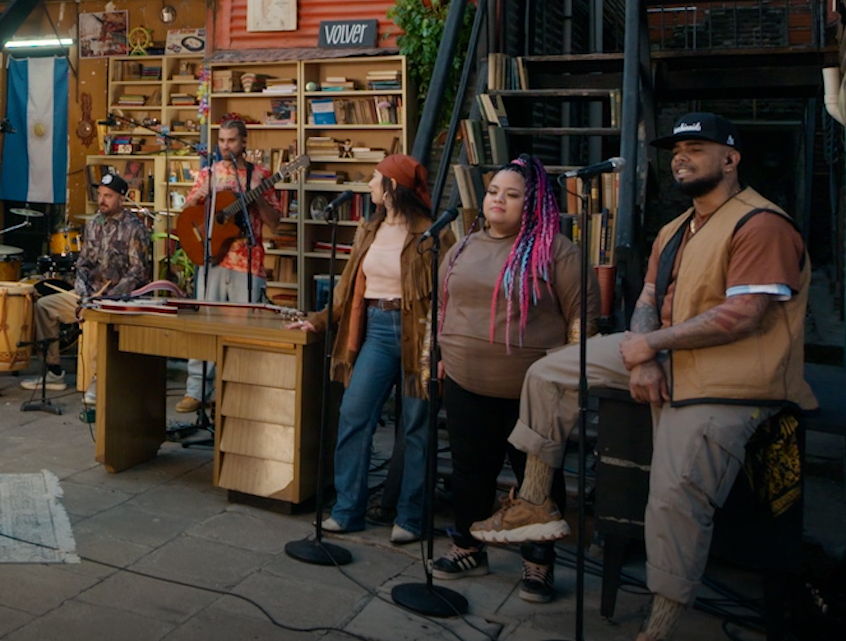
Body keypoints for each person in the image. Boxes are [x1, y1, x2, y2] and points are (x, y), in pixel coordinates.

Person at [473, 113, 813, 641]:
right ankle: (536, 499)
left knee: (673, 496)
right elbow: (650, 300)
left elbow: (744, 315)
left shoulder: (761, 223)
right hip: (671, 357)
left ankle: (661, 624)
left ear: (731, 158)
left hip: (733, 382)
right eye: (676, 149)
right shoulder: (676, 229)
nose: (681, 156)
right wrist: (645, 357)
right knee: (549, 372)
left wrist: (650, 345)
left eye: (696, 147)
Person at [431, 156, 582, 601]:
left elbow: (581, 320)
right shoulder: (464, 245)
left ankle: (538, 564)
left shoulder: (557, 251)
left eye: (512, 194)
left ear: (532, 205)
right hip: (464, 380)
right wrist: (440, 351)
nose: (498, 199)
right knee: (469, 473)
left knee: (536, 480)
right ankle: (467, 547)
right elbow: (444, 303)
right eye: (494, 191)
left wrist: (570, 378)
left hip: (532, 393)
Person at [290, 154, 436, 543]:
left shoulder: (430, 232)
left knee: (417, 428)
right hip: (374, 328)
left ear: (392, 189)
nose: (370, 186)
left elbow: (445, 292)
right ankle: (348, 510)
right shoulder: (368, 229)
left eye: (375, 180)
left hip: (417, 334)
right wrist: (319, 320)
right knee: (354, 414)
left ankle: (410, 517)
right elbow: (347, 287)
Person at [177, 119, 283, 413]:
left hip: (247, 264)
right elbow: (187, 213)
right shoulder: (208, 173)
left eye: (231, 141)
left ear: (244, 142)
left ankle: (238, 391)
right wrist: (200, 196)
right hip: (211, 260)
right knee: (204, 327)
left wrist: (258, 198)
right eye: (221, 140)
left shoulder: (260, 175)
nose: (225, 146)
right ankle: (197, 390)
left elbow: (275, 222)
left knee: (244, 331)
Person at [24, 172, 151, 406]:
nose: (102, 200)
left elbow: (138, 272)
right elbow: (82, 264)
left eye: (108, 196)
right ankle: (53, 370)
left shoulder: (135, 229)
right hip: (88, 295)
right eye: (100, 195)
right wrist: (83, 293)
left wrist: (110, 296)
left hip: (118, 299)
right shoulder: (93, 225)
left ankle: (97, 379)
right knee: (44, 306)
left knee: (96, 319)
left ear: (122, 198)